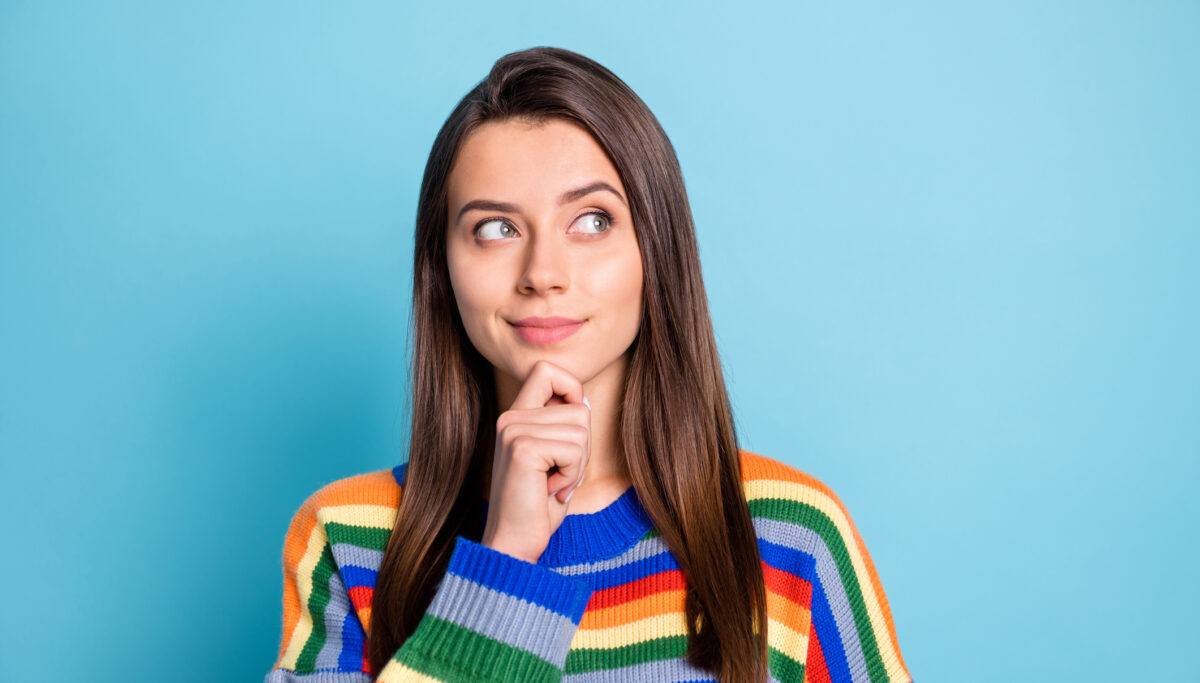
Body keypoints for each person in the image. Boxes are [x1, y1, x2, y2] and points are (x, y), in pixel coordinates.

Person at [265, 46, 913, 683]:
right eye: (495, 228)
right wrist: (505, 563)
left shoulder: (791, 535)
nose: (543, 273)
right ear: (443, 269)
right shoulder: (351, 539)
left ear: (655, 249)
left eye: (592, 220)